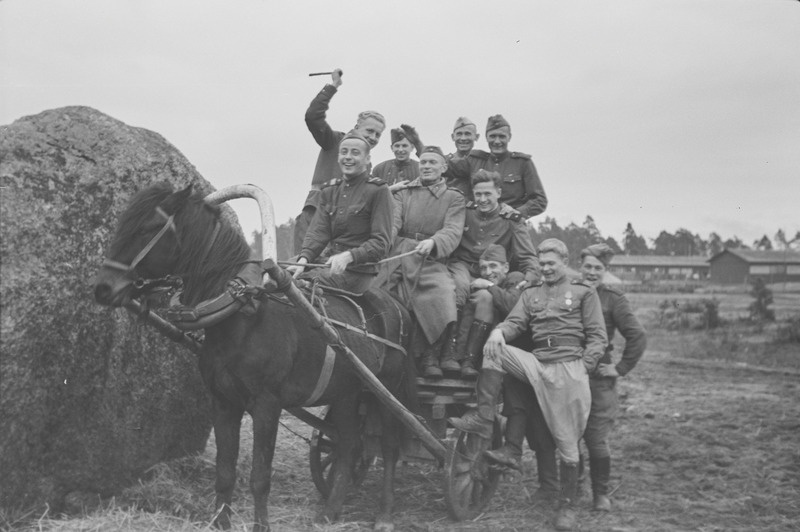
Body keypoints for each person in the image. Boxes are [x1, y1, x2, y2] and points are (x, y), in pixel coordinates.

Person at [448, 238, 607, 531]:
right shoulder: (531, 294)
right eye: (542, 263)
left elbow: (598, 336)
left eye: (551, 263)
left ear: (564, 261)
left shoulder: (583, 293)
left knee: (568, 444)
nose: (545, 269)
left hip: (568, 368)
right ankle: (484, 419)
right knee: (493, 350)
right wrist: (498, 332)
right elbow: (516, 322)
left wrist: (585, 366)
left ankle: (567, 507)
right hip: (537, 364)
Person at [442, 169, 540, 376]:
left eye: (488, 194)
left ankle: (469, 360)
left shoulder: (511, 219)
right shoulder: (465, 212)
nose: (483, 199)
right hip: (462, 269)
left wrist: (531, 277)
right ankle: (448, 354)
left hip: (490, 274)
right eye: (478, 194)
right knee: (453, 289)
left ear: (498, 192)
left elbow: (528, 256)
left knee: (485, 297)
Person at [382, 146, 466, 379]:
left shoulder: (454, 198)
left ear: (443, 168)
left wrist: (434, 242)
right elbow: (392, 224)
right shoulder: (403, 193)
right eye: (424, 162)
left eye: (432, 162)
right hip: (398, 255)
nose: (427, 166)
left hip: (429, 257)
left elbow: (452, 229)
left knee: (443, 292)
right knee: (377, 292)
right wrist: (383, 244)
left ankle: (430, 353)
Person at [578, 243, 647, 510]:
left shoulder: (612, 299)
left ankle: (600, 494)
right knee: (569, 436)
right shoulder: (569, 291)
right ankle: (571, 490)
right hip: (570, 375)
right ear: (580, 266)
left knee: (595, 439)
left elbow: (637, 335)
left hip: (599, 379)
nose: (592, 273)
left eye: (598, 268)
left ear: (605, 271)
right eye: (588, 267)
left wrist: (619, 368)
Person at [287, 131, 392, 294]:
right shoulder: (329, 190)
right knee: (274, 274)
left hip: (357, 272)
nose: (348, 157)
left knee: (299, 285)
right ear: (338, 158)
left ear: (367, 160)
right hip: (325, 262)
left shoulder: (378, 190)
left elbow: (381, 243)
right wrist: (303, 259)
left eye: (355, 153)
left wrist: (348, 256)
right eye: (344, 152)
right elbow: (318, 232)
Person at [294, 68, 386, 254]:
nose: (373, 137)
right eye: (369, 131)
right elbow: (312, 116)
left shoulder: (366, 163)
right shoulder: (335, 141)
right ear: (356, 127)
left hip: (345, 228)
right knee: (301, 271)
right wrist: (333, 86)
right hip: (316, 215)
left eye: (378, 134)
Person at [454, 244, 527, 377]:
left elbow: (512, 307)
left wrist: (489, 286)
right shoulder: (485, 287)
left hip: (510, 347)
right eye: (483, 268)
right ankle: (465, 360)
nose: (487, 273)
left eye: (493, 266)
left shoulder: (515, 277)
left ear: (506, 267)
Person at [466, 114, 548, 219]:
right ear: (486, 137)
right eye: (492, 136)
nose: (497, 141)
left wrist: (516, 212)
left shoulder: (522, 163)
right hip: (480, 225)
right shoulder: (474, 160)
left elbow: (540, 200)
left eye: (502, 136)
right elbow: (444, 168)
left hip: (512, 225)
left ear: (509, 137)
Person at [372, 125, 424, 190]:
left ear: (412, 147)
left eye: (404, 146)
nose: (400, 150)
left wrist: (418, 143)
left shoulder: (420, 168)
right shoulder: (380, 169)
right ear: (392, 148)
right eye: (397, 146)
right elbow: (372, 194)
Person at [442, 116, 480, 196]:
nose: (463, 138)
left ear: (476, 137)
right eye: (459, 134)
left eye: (467, 134)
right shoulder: (443, 161)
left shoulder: (481, 162)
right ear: (453, 137)